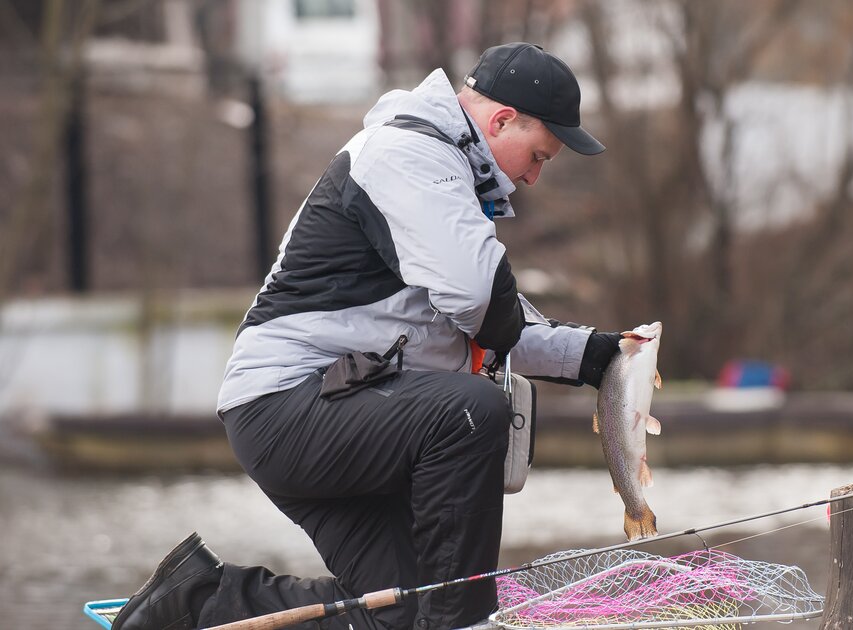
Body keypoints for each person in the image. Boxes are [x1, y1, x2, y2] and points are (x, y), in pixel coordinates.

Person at [113, 42, 626, 630]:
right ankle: (463, 623)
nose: (533, 176)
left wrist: (596, 356)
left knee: (397, 613)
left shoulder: (441, 178)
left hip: (332, 410)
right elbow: (478, 296)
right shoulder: (407, 153)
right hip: (287, 407)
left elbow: (483, 316)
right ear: (501, 120)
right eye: (538, 155)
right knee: (471, 412)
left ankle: (196, 602)